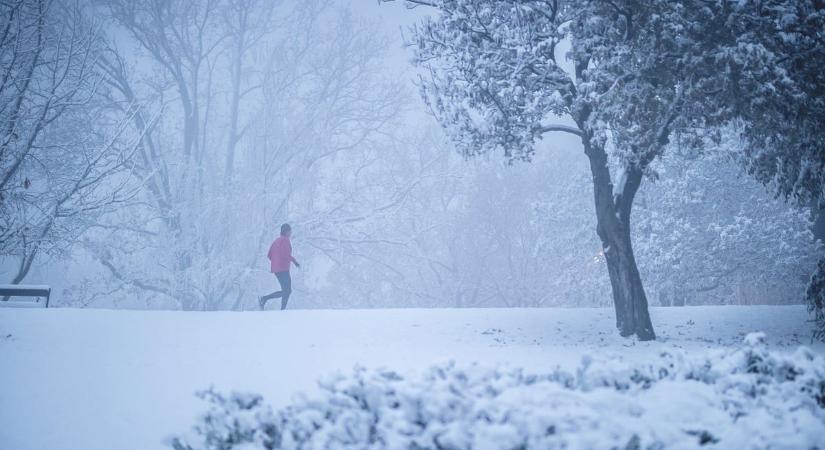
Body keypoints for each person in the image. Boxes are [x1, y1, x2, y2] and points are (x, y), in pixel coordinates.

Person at [259, 223, 300, 310]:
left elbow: (269, 255)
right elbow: (286, 254)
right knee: (287, 291)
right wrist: (295, 262)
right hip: (283, 269)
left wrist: (275, 262)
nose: (291, 233)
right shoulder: (285, 240)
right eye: (290, 231)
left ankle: (265, 299)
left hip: (276, 270)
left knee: (286, 291)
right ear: (286, 232)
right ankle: (279, 308)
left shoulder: (276, 241)